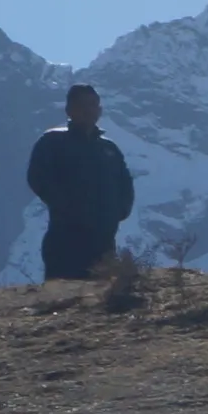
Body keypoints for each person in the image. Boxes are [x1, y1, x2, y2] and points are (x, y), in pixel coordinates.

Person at [26, 84, 135, 280]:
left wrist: (120, 211)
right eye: (82, 105)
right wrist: (65, 207)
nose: (89, 110)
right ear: (69, 110)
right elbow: (38, 178)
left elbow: (125, 183)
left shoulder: (108, 148)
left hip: (104, 240)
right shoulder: (52, 142)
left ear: (100, 110)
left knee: (103, 298)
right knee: (63, 297)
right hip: (65, 238)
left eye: (94, 105)